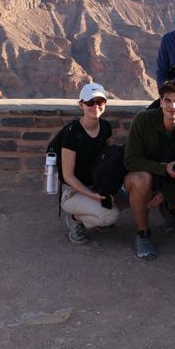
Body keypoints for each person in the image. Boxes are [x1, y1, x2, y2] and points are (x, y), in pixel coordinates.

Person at [124, 79, 175, 260]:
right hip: (143, 177)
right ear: (160, 102)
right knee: (142, 180)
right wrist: (164, 169)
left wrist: (165, 194)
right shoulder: (143, 120)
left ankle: (170, 208)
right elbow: (130, 160)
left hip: (172, 184)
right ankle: (143, 234)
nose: (173, 106)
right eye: (168, 100)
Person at [57, 82, 120, 243]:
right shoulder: (72, 134)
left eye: (100, 102)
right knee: (110, 215)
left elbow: (111, 159)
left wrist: (108, 189)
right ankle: (76, 219)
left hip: (98, 184)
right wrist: (93, 196)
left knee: (132, 194)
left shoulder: (105, 127)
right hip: (74, 190)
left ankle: (94, 212)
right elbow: (68, 175)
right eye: (90, 102)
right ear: (81, 105)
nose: (95, 106)